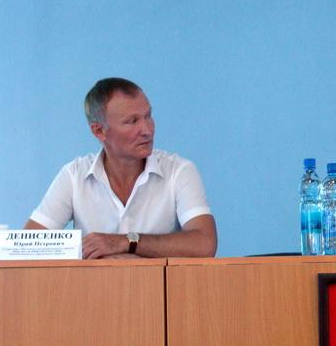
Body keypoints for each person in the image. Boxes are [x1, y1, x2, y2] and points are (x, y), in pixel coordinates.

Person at [25, 78, 217, 259]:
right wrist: (95, 257)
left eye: (148, 116)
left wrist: (125, 242)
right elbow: (27, 249)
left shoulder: (179, 171)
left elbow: (204, 243)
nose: (147, 130)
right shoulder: (73, 176)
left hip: (159, 284)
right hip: (92, 284)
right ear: (99, 131)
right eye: (132, 121)